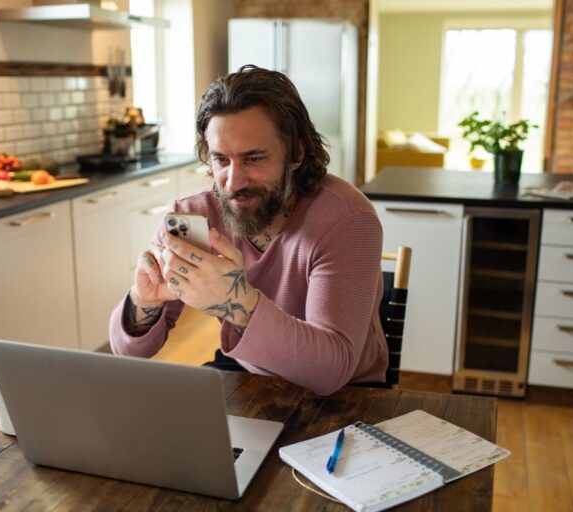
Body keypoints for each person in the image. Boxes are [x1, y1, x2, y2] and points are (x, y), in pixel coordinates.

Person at [109, 65, 387, 395]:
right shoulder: (194, 215)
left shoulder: (345, 219)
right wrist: (144, 303)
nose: (234, 181)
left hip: (348, 394)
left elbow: (331, 371)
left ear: (297, 152)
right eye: (221, 160)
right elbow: (129, 352)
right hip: (247, 371)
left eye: (254, 159)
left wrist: (237, 304)